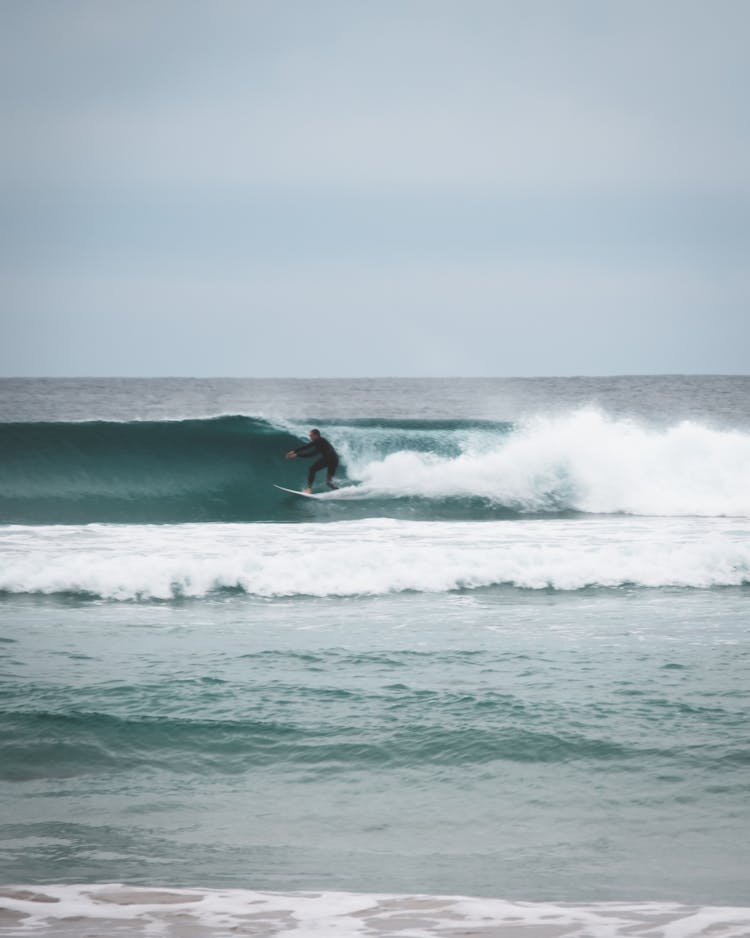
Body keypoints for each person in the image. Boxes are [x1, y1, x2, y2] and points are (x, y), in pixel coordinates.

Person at [285, 429, 339, 493]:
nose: (310, 437)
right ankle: (338, 491)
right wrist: (297, 454)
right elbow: (310, 454)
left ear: (316, 435)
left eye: (311, 435)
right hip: (334, 460)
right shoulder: (321, 443)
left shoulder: (319, 441)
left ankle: (309, 489)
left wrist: (294, 452)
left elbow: (307, 447)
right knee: (328, 482)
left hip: (329, 459)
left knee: (312, 469)